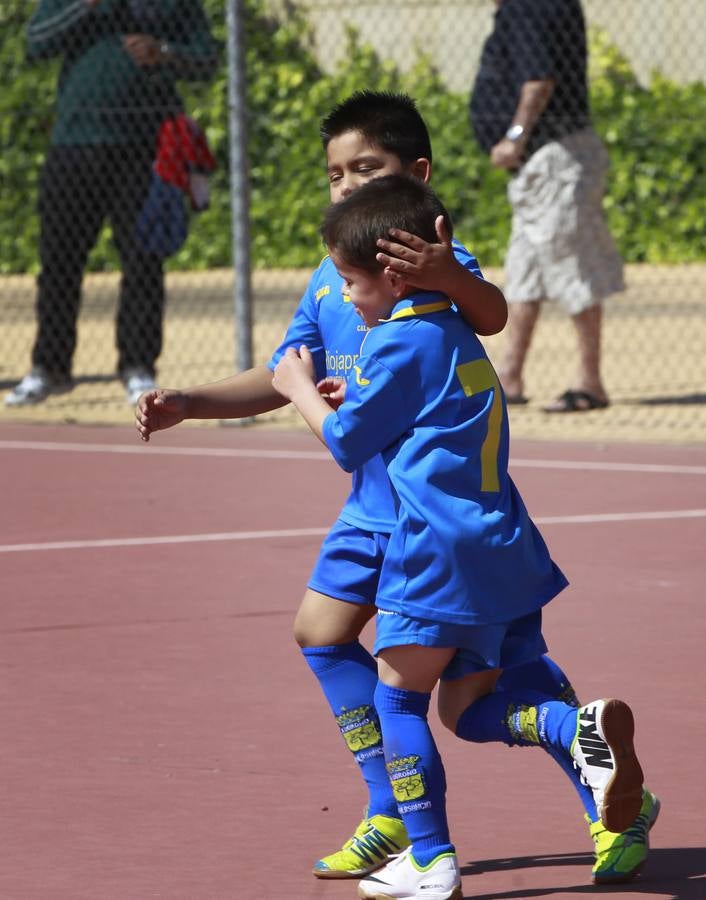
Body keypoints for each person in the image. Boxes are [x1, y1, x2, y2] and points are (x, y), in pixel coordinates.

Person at [135, 91, 657, 886]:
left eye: (365, 169)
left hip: (426, 518)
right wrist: (193, 402)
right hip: (382, 511)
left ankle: (591, 805)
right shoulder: (338, 271)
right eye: (335, 173)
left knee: (476, 684)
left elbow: (489, 315)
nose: (346, 185)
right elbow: (289, 371)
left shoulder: (423, 261)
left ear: (415, 175)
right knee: (321, 633)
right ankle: (393, 809)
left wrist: (450, 273)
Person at [271, 173, 648, 900]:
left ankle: (431, 859)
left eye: (351, 281)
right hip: (501, 544)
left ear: (388, 273)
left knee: (399, 701)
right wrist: (363, 394)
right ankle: (577, 730)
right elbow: (424, 407)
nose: (345, 296)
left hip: (434, 552)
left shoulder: (395, 343)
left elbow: (348, 446)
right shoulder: (451, 330)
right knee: (467, 710)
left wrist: (297, 391)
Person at [5, 0, 217, 408]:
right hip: (73, 145)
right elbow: (35, 42)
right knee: (59, 263)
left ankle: (137, 366)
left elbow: (207, 59)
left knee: (142, 261)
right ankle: (48, 368)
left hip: (143, 149)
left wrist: (165, 52)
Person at [469, 0, 624, 412]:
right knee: (525, 271)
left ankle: (590, 382)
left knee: (571, 265)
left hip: (554, 158)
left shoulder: (526, 6)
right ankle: (510, 376)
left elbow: (538, 80)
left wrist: (515, 137)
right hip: (545, 164)